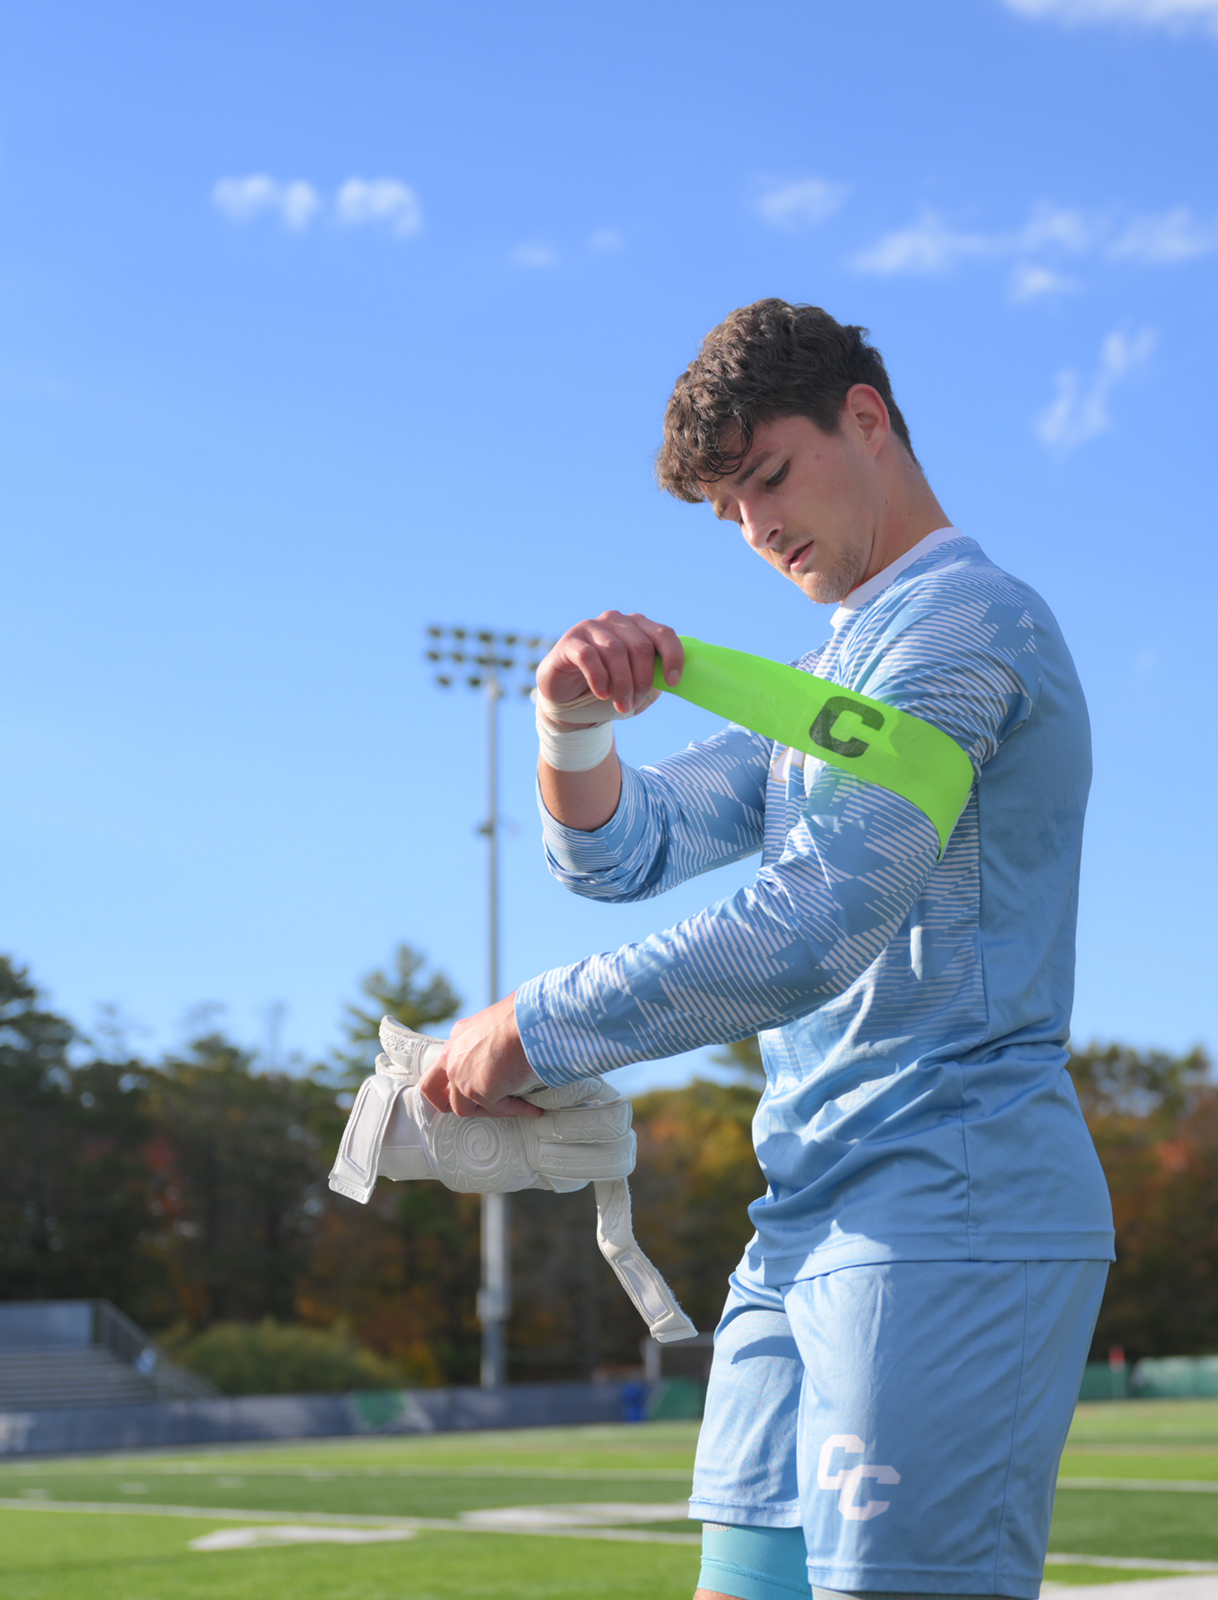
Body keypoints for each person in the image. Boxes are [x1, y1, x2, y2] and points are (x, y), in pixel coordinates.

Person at [421, 299, 1111, 1600]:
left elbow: (818, 925)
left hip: (947, 1202)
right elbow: (622, 853)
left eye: (771, 478)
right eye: (729, 510)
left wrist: (534, 1025)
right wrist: (568, 721)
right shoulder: (832, 670)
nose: (757, 529)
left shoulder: (969, 624)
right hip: (801, 1214)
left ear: (867, 418)